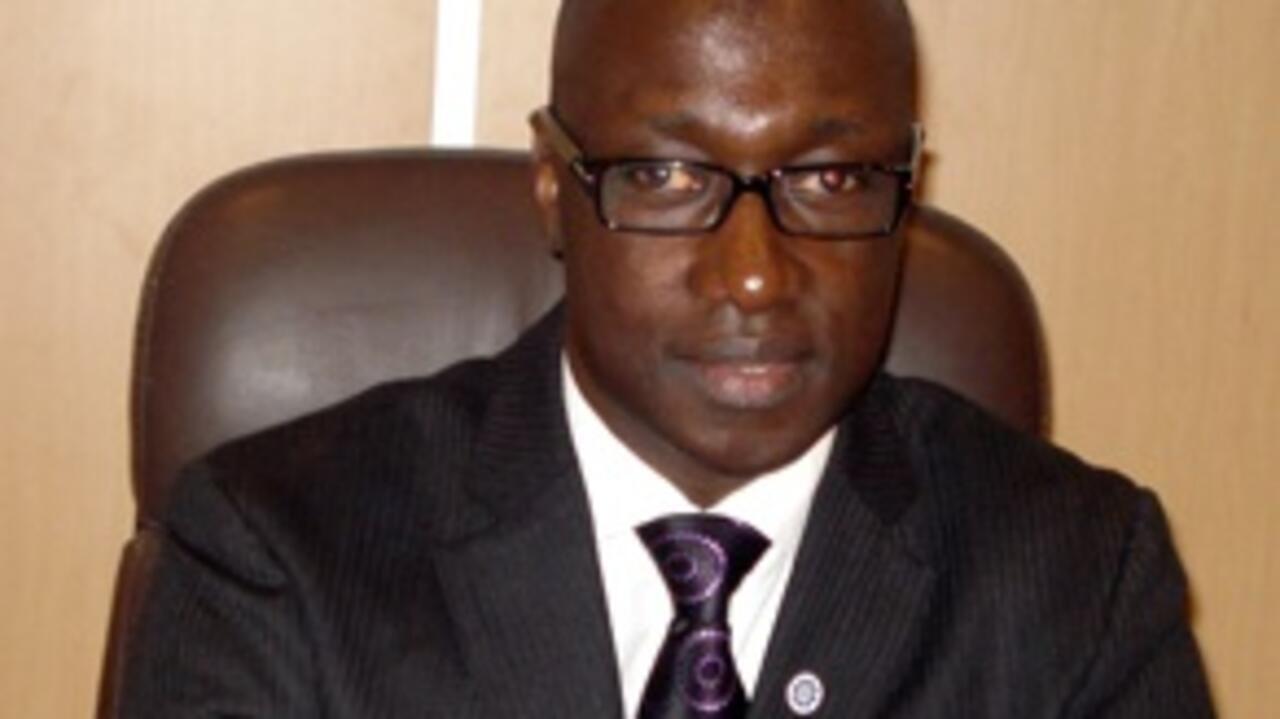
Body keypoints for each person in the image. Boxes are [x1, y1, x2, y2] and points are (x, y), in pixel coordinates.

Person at [119, 1, 1214, 716]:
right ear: (553, 185)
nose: (754, 274)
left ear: (906, 187)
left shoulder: (1077, 578)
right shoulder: (281, 557)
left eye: (830, 180)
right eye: (667, 177)